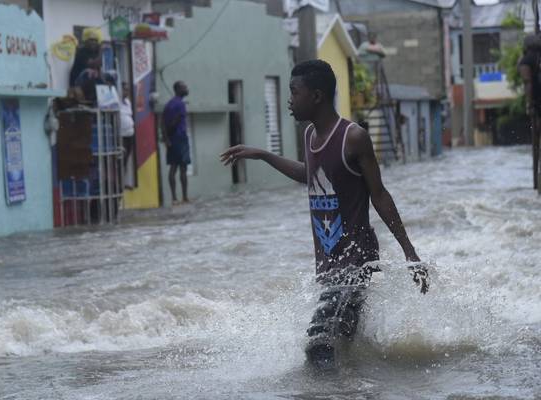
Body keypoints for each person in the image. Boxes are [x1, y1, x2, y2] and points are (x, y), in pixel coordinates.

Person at [220, 60, 427, 364]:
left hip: (356, 260)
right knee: (341, 343)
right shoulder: (310, 136)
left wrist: (410, 253)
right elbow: (311, 173)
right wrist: (263, 155)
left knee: (319, 343)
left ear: (316, 96)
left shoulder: (353, 137)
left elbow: (380, 195)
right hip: (330, 260)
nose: (289, 100)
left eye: (293, 92)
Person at [518, 34, 541, 190]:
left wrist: (529, 103)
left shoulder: (526, 61)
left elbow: (528, 83)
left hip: (538, 100)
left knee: (537, 133)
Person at [162, 81, 191, 204]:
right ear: (178, 89)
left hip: (172, 139)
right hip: (180, 138)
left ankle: (174, 198)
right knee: (183, 168)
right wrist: (170, 134)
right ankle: (184, 197)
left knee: (173, 167)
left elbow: (162, 123)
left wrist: (166, 138)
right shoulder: (180, 105)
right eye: (184, 87)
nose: (187, 89)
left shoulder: (168, 104)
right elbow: (175, 121)